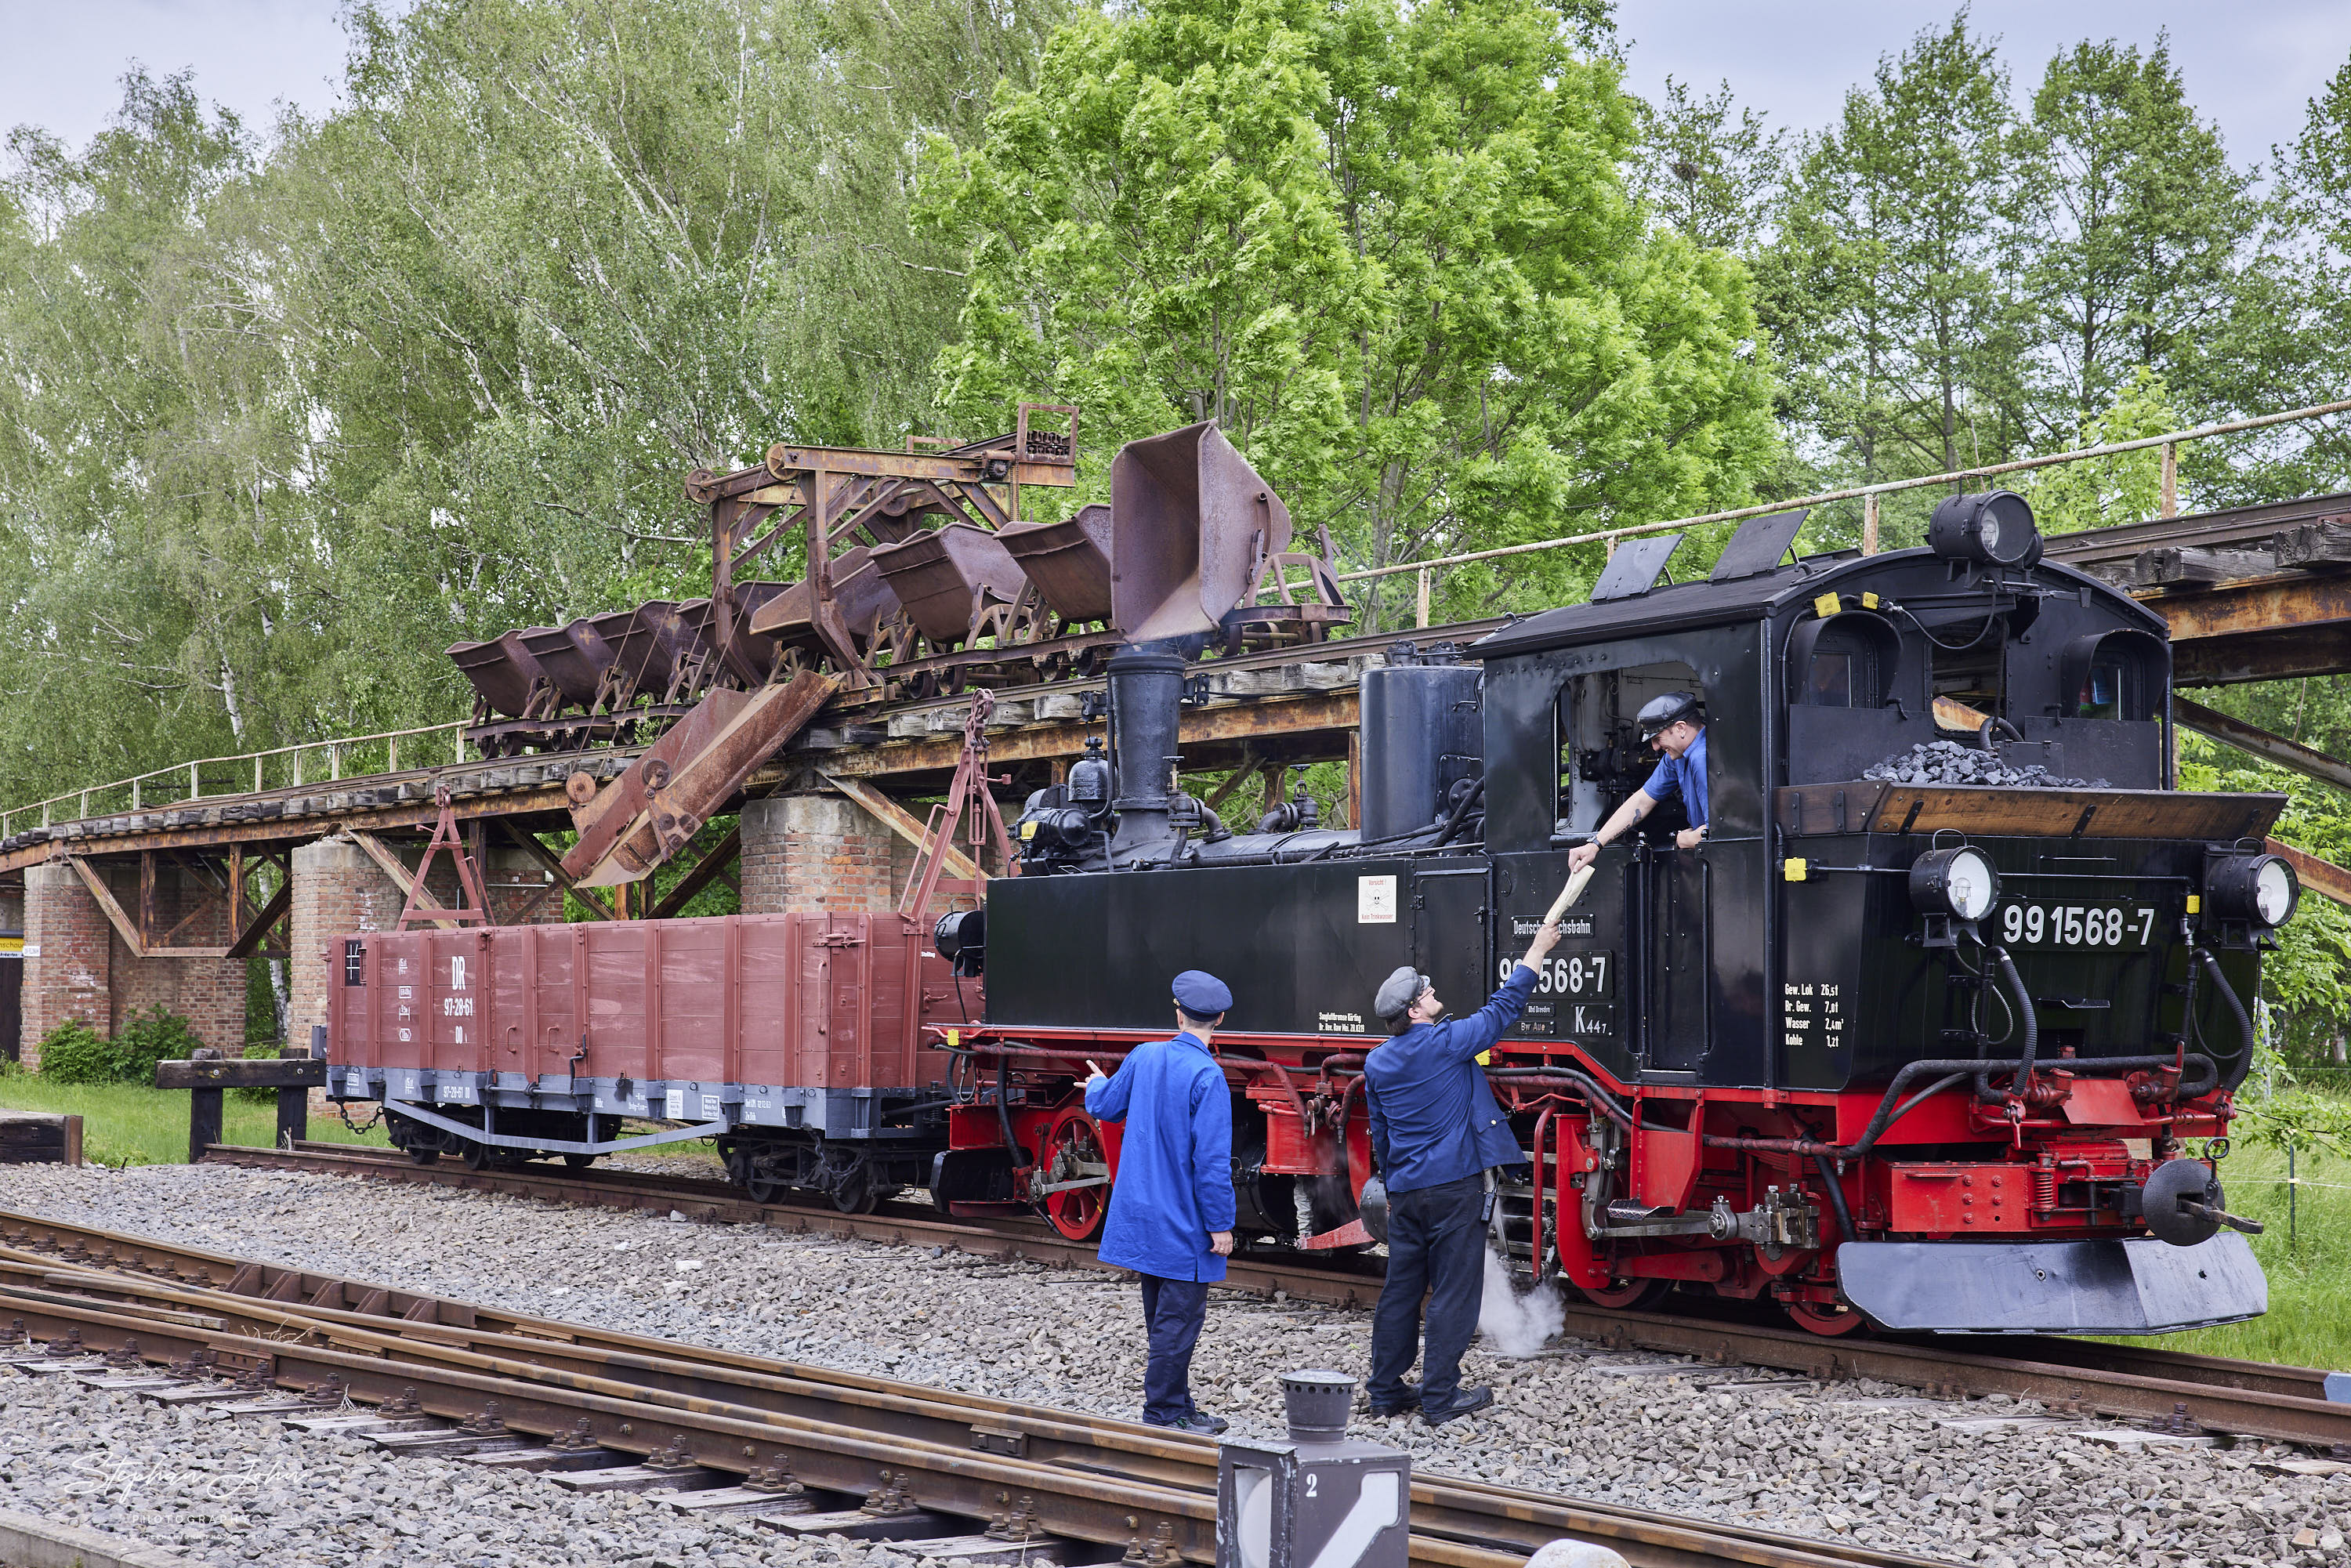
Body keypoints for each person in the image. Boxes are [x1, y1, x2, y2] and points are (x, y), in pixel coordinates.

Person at [1362, 918, 1563, 1424]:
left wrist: (1391, 1179)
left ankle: (1386, 1392)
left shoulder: (1378, 1062)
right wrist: (1538, 948)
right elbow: (1505, 1007)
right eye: (1426, 991)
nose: (1435, 992)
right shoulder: (1445, 1042)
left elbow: (1381, 1133)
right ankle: (1439, 1397)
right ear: (1414, 1010)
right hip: (1452, 1188)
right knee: (1454, 1290)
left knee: (1402, 1289)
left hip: (1405, 1191)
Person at [1082, 970, 1238, 1433]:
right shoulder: (1208, 1077)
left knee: (1162, 1320)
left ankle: (1179, 1404)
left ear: (1178, 1012)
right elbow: (1211, 1165)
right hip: (1183, 1224)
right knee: (1178, 1323)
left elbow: (1106, 1105)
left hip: (1142, 1218)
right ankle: (1165, 1413)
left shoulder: (1145, 1055)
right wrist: (1222, 1226)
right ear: (1220, 1020)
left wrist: (1094, 1086)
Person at [1566, 691, 1708, 871]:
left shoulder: (1703, 758)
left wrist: (1682, 838)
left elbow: (1717, 834)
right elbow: (1643, 799)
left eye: (1657, 739)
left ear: (1680, 728)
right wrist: (1594, 845)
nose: (1655, 747)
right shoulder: (1676, 757)